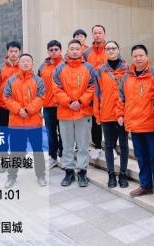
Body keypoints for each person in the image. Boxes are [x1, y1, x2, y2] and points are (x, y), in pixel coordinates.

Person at [117, 44, 154, 204]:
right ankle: (145, 185)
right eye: (135, 56)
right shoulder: (127, 76)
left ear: (146, 56)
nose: (138, 58)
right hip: (134, 123)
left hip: (150, 123)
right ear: (132, 58)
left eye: (141, 55)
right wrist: (120, 114)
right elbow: (121, 97)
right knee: (140, 156)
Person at [53, 39, 97, 187]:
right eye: (72, 48)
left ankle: (82, 171)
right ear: (67, 50)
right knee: (67, 144)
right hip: (65, 112)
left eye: (77, 48)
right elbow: (56, 88)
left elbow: (92, 87)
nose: (75, 51)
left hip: (83, 112)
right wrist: (70, 102)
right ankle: (69, 171)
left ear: (81, 50)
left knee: (83, 145)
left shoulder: (88, 68)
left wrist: (80, 102)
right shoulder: (60, 68)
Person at [3, 53, 47, 188]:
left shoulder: (38, 80)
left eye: (28, 61)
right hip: (16, 123)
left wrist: (28, 110)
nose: (26, 63)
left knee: (37, 150)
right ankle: (11, 176)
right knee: (15, 151)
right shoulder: (11, 80)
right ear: (19, 63)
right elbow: (6, 97)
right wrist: (18, 110)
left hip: (34, 122)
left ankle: (40, 175)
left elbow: (41, 97)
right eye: (23, 61)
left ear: (32, 64)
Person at [94, 41, 129, 188]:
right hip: (107, 113)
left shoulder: (127, 69)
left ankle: (123, 174)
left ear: (118, 50)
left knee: (124, 145)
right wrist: (97, 113)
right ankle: (111, 174)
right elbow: (96, 94)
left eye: (113, 48)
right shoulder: (100, 70)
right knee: (108, 146)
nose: (110, 50)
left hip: (123, 114)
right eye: (108, 48)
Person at [0, 41, 22, 172]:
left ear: (20, 52)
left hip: (18, 109)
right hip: (3, 109)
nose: (13, 54)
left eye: (16, 51)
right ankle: (4, 161)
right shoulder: (0, 69)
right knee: (2, 136)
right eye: (11, 51)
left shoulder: (24, 67)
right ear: (7, 52)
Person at [37, 40, 63, 169]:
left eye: (56, 49)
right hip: (47, 106)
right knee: (51, 133)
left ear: (60, 50)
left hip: (63, 105)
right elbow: (38, 87)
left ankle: (63, 156)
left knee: (63, 133)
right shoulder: (42, 67)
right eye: (51, 50)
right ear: (48, 51)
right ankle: (53, 157)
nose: (54, 52)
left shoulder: (65, 64)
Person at [83, 24, 107, 159]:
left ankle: (111, 147)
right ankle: (97, 146)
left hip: (108, 90)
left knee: (111, 120)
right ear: (92, 35)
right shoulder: (87, 53)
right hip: (93, 91)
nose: (97, 35)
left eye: (100, 32)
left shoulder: (110, 49)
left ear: (104, 34)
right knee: (95, 119)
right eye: (95, 33)